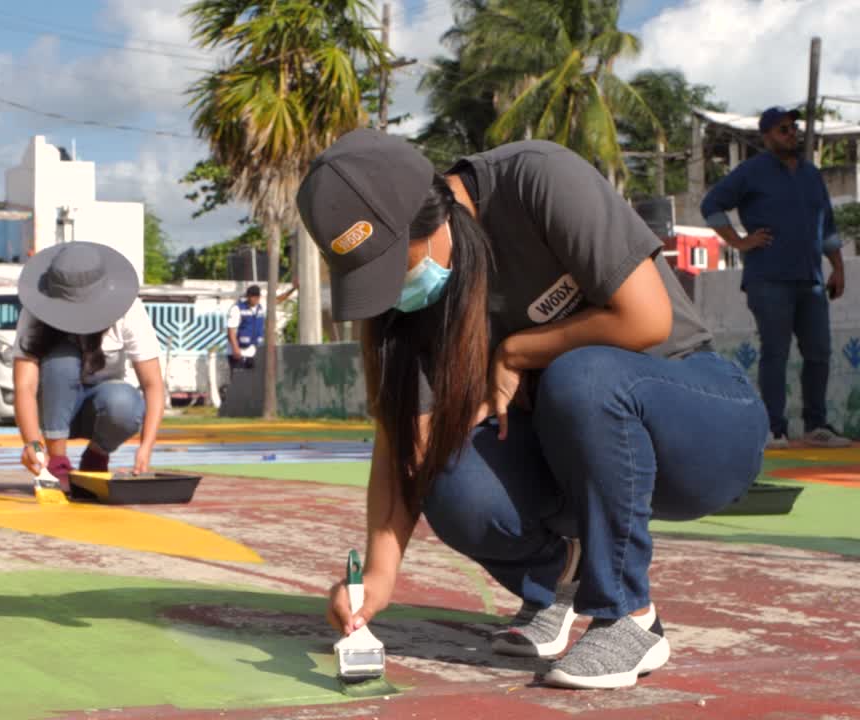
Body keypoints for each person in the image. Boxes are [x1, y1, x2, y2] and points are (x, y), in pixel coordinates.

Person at [297, 129, 767, 690]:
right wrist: (377, 577)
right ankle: (560, 578)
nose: (396, 290)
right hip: (571, 452)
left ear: (434, 211)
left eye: (397, 265)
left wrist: (517, 350)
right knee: (445, 476)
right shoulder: (411, 307)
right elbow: (406, 443)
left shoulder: (537, 179)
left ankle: (628, 616)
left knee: (582, 376)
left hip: (701, 423)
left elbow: (647, 320)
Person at [702, 106, 848, 449]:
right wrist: (739, 241)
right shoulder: (751, 172)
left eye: (793, 127)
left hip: (811, 279)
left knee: (819, 352)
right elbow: (711, 205)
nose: (791, 133)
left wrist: (838, 267)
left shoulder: (812, 175)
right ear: (767, 136)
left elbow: (826, 227)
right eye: (783, 129)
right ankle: (773, 428)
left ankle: (816, 426)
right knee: (776, 352)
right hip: (768, 279)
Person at [12, 242, 164, 492]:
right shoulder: (35, 311)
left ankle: (95, 456)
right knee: (61, 362)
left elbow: (153, 384)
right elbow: (24, 386)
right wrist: (33, 445)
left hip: (97, 410)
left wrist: (146, 447)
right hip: (51, 413)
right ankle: (58, 462)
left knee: (124, 403)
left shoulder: (129, 310)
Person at [226, 284, 264, 370]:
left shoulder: (261, 307)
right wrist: (235, 349)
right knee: (240, 381)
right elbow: (231, 330)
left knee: (252, 381)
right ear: (248, 296)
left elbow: (276, 301)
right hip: (238, 352)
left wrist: (292, 289)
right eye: (252, 296)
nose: (255, 298)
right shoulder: (237, 308)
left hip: (253, 352)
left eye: (257, 296)